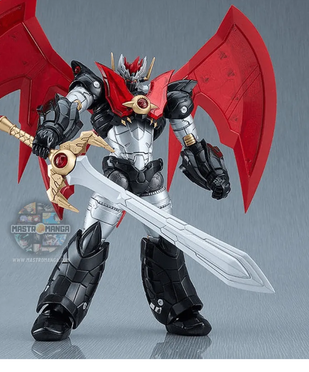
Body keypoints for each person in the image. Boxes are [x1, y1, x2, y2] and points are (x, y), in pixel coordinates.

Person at [30, 54, 231, 341]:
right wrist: (50, 130)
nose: (134, 80)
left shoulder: (165, 96)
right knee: (90, 241)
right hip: (114, 181)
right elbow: (69, 106)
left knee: (167, 240)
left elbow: (191, 142)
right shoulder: (100, 89)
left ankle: (179, 309)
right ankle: (58, 310)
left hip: (150, 181)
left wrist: (215, 176)